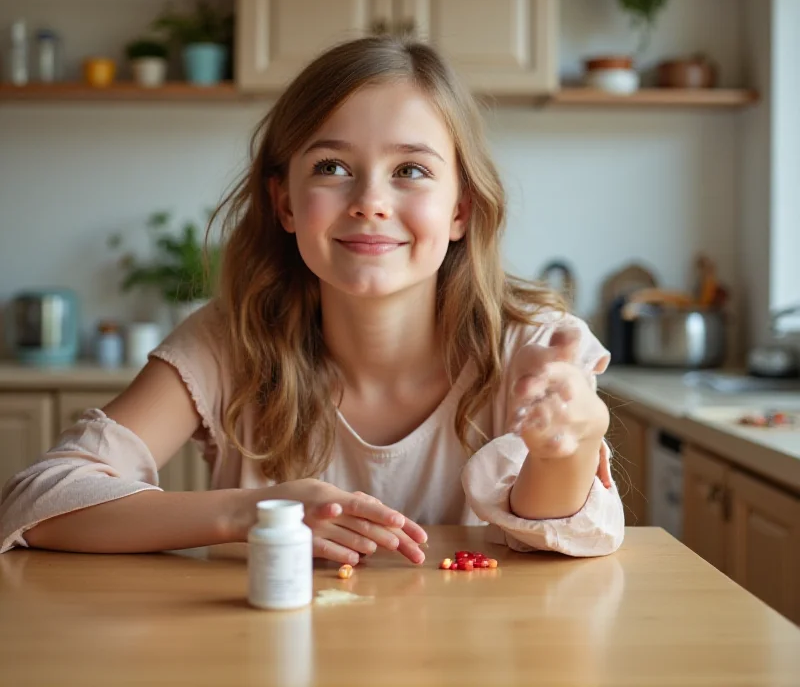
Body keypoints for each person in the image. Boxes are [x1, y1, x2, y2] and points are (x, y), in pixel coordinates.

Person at [0, 36, 624, 562]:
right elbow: (41, 498)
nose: (370, 201)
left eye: (411, 170)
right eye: (331, 166)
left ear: (460, 208)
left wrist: (567, 446)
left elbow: (561, 538)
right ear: (285, 203)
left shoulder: (531, 344)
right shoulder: (228, 341)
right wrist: (253, 514)